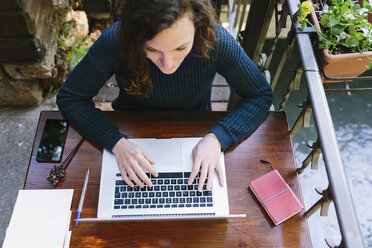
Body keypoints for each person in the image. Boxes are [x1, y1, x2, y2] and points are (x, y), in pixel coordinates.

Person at [57, 0, 273, 192]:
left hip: (196, 136)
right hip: (129, 137)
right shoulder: (115, 40)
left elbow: (259, 95)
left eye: (180, 48)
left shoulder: (216, 40)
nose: (167, 64)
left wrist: (218, 138)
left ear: (198, 25)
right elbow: (70, 97)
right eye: (151, 49)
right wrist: (116, 142)